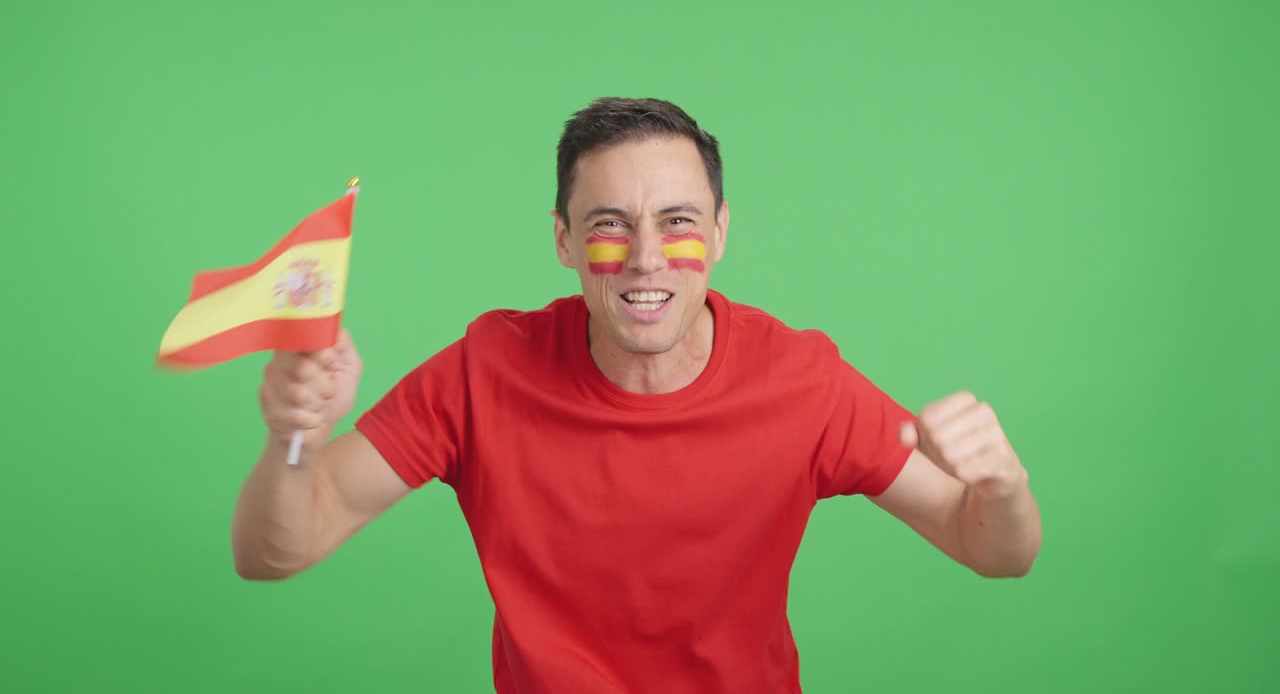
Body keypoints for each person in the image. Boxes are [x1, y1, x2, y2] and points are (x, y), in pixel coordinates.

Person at [232, 97, 1042, 693]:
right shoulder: (483, 373)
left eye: (678, 221)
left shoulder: (802, 380)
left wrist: (1003, 489)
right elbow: (277, 551)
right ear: (565, 241)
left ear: (721, 232)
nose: (646, 258)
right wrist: (291, 438)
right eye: (610, 225)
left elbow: (994, 549)